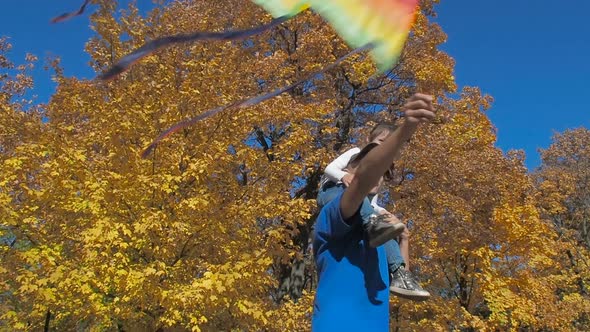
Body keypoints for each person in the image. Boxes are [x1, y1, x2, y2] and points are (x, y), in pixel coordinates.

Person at [312, 93, 435, 331]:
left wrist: (404, 240)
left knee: (385, 234)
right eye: (368, 165)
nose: (377, 173)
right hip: (338, 326)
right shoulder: (335, 211)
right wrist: (404, 131)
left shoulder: (380, 229)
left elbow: (395, 282)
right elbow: (362, 179)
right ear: (351, 169)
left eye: (383, 171)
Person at [317, 124, 430, 301]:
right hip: (332, 190)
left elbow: (374, 204)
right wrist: (343, 176)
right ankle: (372, 223)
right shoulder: (354, 153)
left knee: (384, 227)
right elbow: (329, 169)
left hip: (362, 207)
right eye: (381, 141)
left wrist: (389, 219)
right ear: (369, 140)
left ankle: (400, 274)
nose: (374, 176)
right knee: (368, 208)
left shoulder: (369, 197)